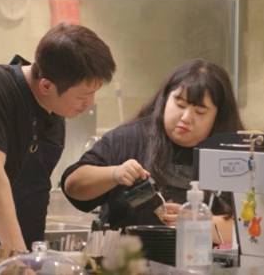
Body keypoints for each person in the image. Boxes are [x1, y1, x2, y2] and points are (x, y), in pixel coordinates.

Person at [0, 23, 116, 269]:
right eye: (83, 96)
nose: (89, 103)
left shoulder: (54, 109)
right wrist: (18, 259)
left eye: (94, 93)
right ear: (46, 86)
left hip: (27, 256)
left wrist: (29, 260)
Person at [61, 58, 241, 238]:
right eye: (180, 104)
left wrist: (199, 224)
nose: (186, 117)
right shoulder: (130, 138)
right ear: (165, 99)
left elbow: (248, 229)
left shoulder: (233, 156)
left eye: (200, 111)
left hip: (202, 255)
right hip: (128, 254)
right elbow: (72, 185)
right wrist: (114, 174)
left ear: (218, 116)